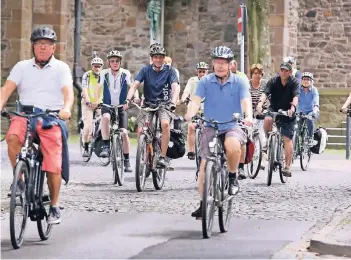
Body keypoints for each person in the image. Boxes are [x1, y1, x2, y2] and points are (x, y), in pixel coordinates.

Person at [0, 27, 74, 224]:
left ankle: (55, 206)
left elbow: (68, 93)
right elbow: (6, 89)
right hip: (25, 114)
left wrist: (66, 108)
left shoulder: (61, 68)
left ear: (53, 48)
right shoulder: (22, 66)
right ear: (33, 46)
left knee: (53, 163)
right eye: (39, 43)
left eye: (47, 44)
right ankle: (21, 180)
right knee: (13, 138)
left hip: (51, 117)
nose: (43, 46)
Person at [185, 46, 253, 218]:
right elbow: (196, 100)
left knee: (232, 145)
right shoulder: (205, 81)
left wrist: (248, 117)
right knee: (203, 165)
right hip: (210, 125)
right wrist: (190, 114)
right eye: (217, 62)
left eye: (224, 63)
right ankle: (202, 203)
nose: (220, 66)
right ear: (213, 63)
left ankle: (232, 176)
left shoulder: (240, 82)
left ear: (230, 64)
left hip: (232, 124)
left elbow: (246, 101)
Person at [125, 43, 180, 168]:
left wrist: (173, 102)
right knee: (140, 130)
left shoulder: (170, 71)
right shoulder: (145, 70)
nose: (158, 60)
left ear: (163, 58)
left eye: (161, 57)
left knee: (165, 124)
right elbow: (135, 85)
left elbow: (175, 88)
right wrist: (128, 99)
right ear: (152, 58)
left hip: (164, 104)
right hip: (148, 104)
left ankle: (162, 157)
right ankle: (144, 154)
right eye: (155, 57)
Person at [256, 62, 299, 177]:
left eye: (286, 71)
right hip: (274, 108)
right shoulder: (273, 81)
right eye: (282, 70)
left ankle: (287, 167)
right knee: (267, 120)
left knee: (286, 138)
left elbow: (295, 97)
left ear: (290, 72)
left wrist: (293, 108)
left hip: (288, 112)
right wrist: (260, 104)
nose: (283, 72)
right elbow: (265, 93)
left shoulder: (294, 82)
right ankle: (268, 140)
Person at [93, 50, 133, 172]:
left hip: (121, 106)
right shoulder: (104, 73)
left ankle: (126, 160)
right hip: (107, 104)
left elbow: (132, 87)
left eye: (117, 61)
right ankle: (106, 145)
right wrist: (95, 101)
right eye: (112, 61)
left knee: (125, 133)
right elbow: (98, 88)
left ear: (120, 62)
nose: (115, 63)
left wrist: (133, 98)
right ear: (109, 63)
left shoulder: (125, 73)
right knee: (105, 118)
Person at [180, 62, 209, 160]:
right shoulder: (192, 81)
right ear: (197, 72)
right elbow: (186, 91)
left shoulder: (211, 81)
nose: (201, 73)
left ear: (207, 72)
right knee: (191, 127)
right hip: (194, 109)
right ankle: (191, 150)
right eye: (200, 71)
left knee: (208, 129)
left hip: (207, 109)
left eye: (203, 72)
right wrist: (182, 99)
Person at [81, 56, 104, 157]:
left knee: (106, 123)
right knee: (88, 127)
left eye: (99, 66)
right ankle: (86, 146)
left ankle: (102, 144)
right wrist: (87, 100)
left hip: (100, 103)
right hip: (88, 103)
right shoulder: (87, 75)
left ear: (102, 67)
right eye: (95, 66)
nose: (97, 68)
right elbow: (85, 89)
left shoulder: (105, 76)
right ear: (92, 66)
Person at [297, 72, 319, 142]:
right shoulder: (298, 89)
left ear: (311, 81)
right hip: (300, 111)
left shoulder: (314, 90)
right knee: (297, 127)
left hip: (311, 111)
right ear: (301, 80)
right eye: (304, 79)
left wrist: (315, 108)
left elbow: (316, 99)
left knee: (310, 120)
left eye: (308, 79)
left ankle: (310, 137)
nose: (306, 81)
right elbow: (294, 98)